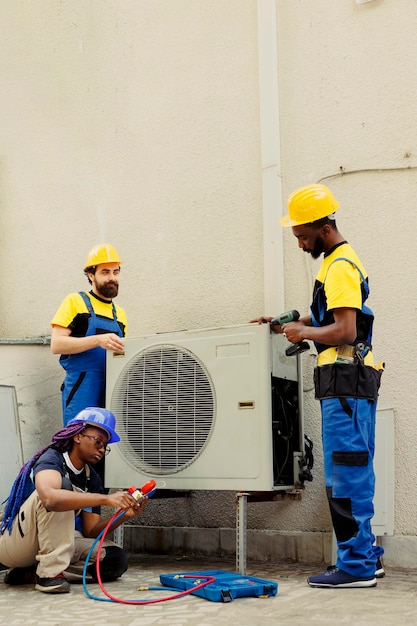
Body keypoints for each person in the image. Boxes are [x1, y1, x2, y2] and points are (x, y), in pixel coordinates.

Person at [253, 183, 384, 588]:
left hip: (346, 383)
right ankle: (367, 556)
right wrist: (287, 323)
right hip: (345, 383)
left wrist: (303, 334)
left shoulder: (341, 265)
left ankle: (357, 567)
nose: (298, 243)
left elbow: (344, 330)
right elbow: (327, 318)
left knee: (347, 476)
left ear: (324, 226)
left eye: (302, 235)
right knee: (352, 471)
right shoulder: (332, 262)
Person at [0, 407, 147, 594]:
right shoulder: (51, 458)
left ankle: (29, 572)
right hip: (16, 542)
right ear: (78, 436)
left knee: (114, 559)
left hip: (54, 539)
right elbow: (50, 498)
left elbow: (91, 531)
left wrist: (124, 515)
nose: (102, 449)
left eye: (105, 446)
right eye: (98, 441)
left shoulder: (91, 478)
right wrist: (106, 499)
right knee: (62, 488)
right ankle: (48, 574)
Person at [50, 243, 127, 426]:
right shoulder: (75, 302)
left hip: (112, 387)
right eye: (105, 272)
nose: (112, 278)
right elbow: (57, 344)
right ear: (91, 275)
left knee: (108, 444)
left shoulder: (121, 315)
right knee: (78, 441)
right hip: (81, 388)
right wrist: (98, 340)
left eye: (115, 272)